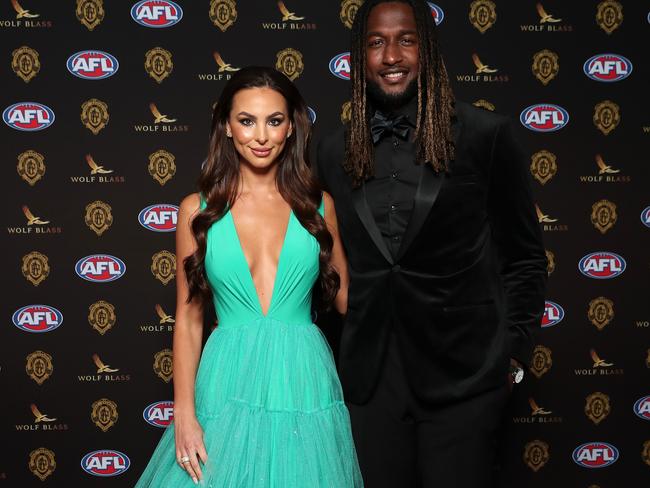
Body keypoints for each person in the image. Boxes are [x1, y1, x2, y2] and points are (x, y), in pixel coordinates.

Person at [315, 1, 547, 487]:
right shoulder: (332, 150)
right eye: (376, 42)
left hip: (464, 379)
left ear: (429, 49)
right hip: (370, 382)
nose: (391, 55)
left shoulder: (486, 135)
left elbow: (524, 256)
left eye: (406, 40)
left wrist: (513, 355)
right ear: (360, 57)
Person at [136, 66, 363, 487]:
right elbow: (187, 322)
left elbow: (350, 300)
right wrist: (183, 414)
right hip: (226, 380)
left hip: (302, 380)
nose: (261, 136)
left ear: (291, 128)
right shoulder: (196, 210)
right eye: (247, 121)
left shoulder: (319, 206)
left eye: (274, 121)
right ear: (226, 125)